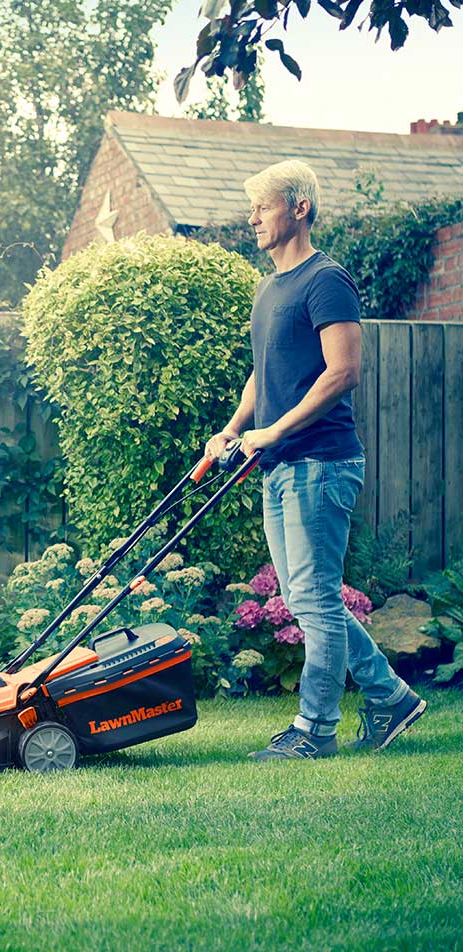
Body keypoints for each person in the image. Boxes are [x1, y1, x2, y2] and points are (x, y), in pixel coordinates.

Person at [204, 159, 426, 760]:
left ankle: (315, 730)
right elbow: (265, 373)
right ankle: (391, 698)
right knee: (308, 599)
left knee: (314, 600)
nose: (252, 217)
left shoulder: (326, 280)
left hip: (321, 463)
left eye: (263, 206)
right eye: (251, 207)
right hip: (280, 465)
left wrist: (274, 430)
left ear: (299, 208)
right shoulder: (270, 288)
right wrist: (233, 430)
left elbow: (343, 371)